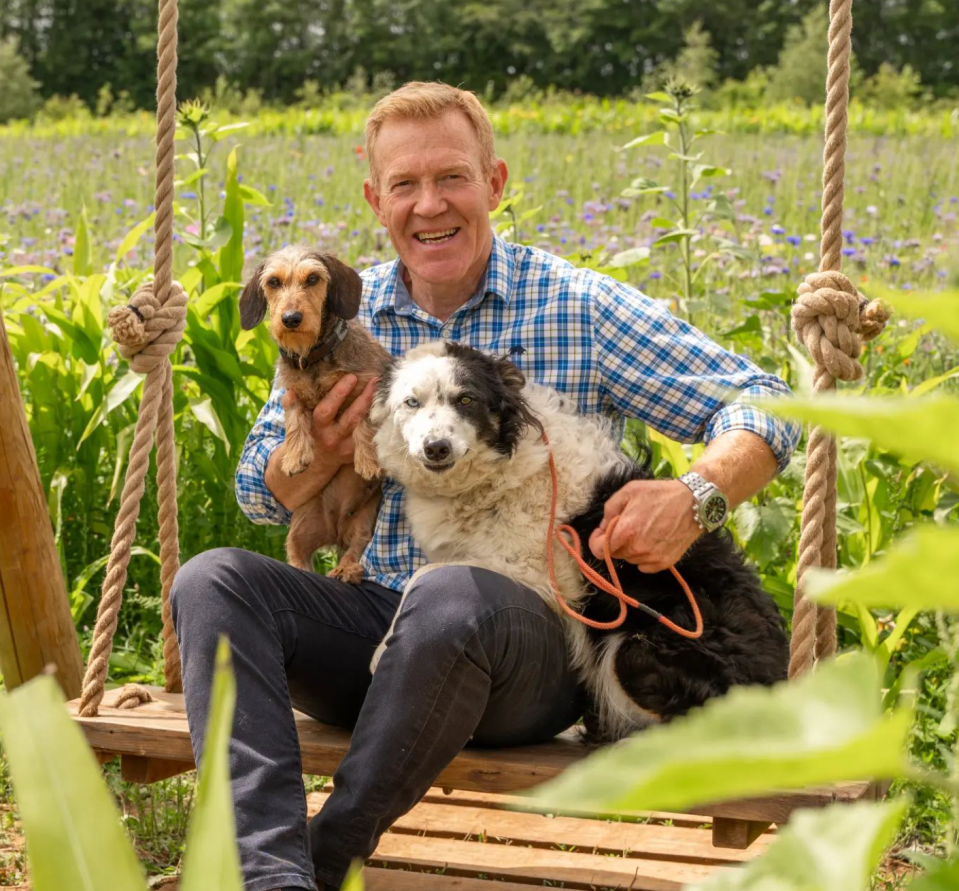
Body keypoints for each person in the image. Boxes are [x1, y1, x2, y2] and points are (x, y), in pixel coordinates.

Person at [170, 81, 801, 891]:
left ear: (494, 183)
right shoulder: (335, 315)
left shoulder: (574, 304)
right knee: (213, 579)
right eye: (404, 184)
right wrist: (320, 453)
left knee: (450, 595)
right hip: (371, 626)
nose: (428, 204)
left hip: (516, 648)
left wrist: (697, 493)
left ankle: (326, 856)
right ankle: (268, 877)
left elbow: (767, 402)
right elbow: (262, 495)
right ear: (376, 199)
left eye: (452, 178)